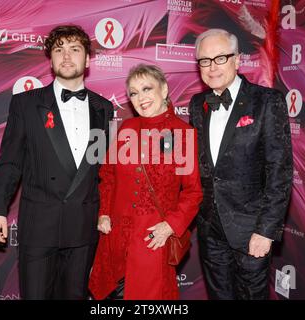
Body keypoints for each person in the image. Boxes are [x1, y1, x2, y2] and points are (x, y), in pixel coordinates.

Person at [0, 25, 113, 299]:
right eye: (59, 50)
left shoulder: (104, 108)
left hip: (82, 227)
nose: (66, 57)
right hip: (39, 227)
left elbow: (103, 168)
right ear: (51, 59)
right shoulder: (26, 104)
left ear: (88, 59)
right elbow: (10, 162)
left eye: (75, 49)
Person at [189, 29, 293, 300]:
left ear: (237, 60)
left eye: (220, 58)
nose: (212, 67)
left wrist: (266, 231)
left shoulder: (267, 101)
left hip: (251, 230)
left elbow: (279, 171)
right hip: (210, 229)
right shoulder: (197, 104)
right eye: (204, 61)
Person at [89, 64, 202, 300]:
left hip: (152, 239)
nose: (140, 97)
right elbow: (108, 174)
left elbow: (193, 192)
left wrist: (171, 225)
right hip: (116, 236)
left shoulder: (182, 134)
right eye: (133, 92)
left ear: (164, 89)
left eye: (146, 88)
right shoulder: (127, 128)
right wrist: (104, 212)